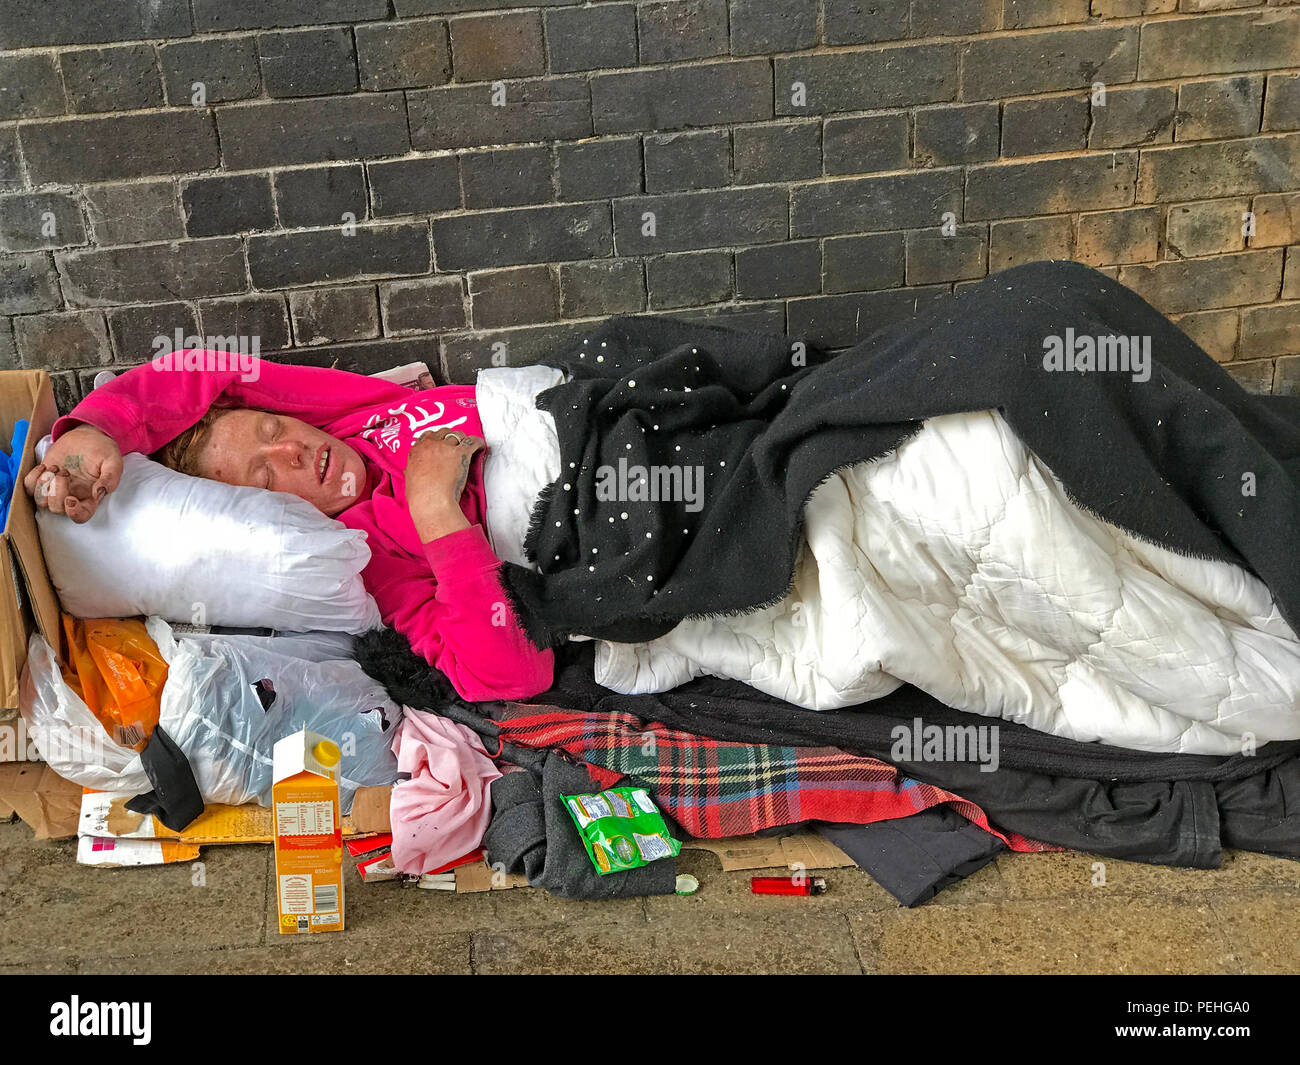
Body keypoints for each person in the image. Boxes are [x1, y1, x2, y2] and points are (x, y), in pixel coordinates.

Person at [24, 354, 554, 702]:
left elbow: (205, 372)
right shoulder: (371, 562)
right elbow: (509, 675)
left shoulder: (353, 416)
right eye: (265, 474)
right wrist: (438, 513)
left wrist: (96, 429)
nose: (292, 450)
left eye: (273, 428)